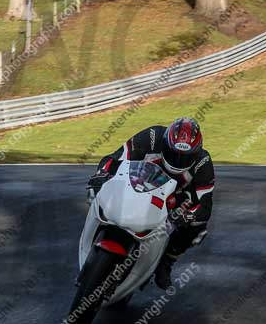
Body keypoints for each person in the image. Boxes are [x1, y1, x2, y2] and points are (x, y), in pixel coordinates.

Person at [87, 117, 215, 290]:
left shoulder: (203, 162)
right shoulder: (152, 136)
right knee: (98, 191)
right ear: (165, 143)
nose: (178, 160)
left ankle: (166, 260)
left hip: (174, 197)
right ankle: (98, 228)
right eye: (173, 153)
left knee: (199, 228)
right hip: (137, 181)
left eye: (184, 157)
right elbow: (114, 158)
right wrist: (101, 174)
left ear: (196, 152)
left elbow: (205, 204)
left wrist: (188, 215)